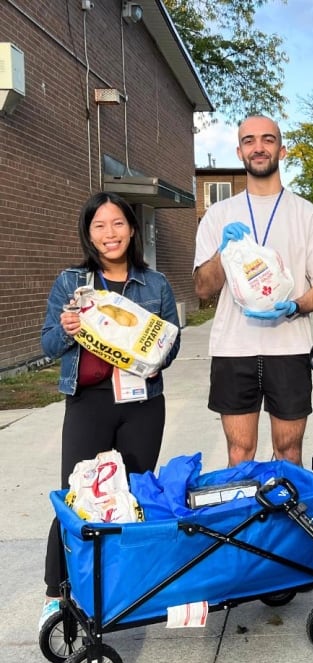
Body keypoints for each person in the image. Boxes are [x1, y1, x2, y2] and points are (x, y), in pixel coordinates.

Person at [39, 191, 181, 628]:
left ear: (132, 228)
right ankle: (57, 592)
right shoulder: (72, 283)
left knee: (131, 494)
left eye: (117, 223)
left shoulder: (155, 284)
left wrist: (152, 348)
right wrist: (66, 331)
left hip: (142, 404)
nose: (109, 234)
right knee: (78, 496)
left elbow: (171, 347)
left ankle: (122, 584)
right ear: (89, 233)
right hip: (89, 404)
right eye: (99, 226)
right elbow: (47, 345)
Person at [193, 115, 313, 467]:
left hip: (289, 348)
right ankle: (247, 524)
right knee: (240, 453)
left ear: (282, 149)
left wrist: (294, 307)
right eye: (249, 141)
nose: (258, 147)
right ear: (239, 151)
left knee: (289, 452)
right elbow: (203, 288)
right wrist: (222, 252)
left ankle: (287, 524)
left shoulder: (308, 215)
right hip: (233, 348)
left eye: (267, 139)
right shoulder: (218, 215)